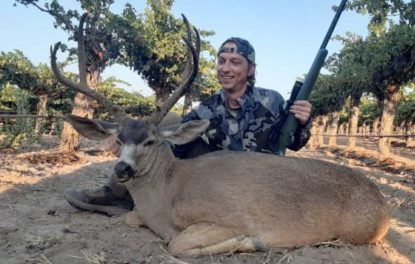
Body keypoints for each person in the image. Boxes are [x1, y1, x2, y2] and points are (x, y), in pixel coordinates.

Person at [64, 37, 313, 216]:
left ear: (251, 70)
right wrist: (127, 142)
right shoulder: (207, 108)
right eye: (222, 61)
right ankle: (116, 194)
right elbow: (164, 136)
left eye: (235, 62)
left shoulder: (272, 100)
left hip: (258, 178)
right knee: (168, 123)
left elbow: (294, 143)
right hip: (218, 174)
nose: (226, 68)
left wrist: (303, 122)